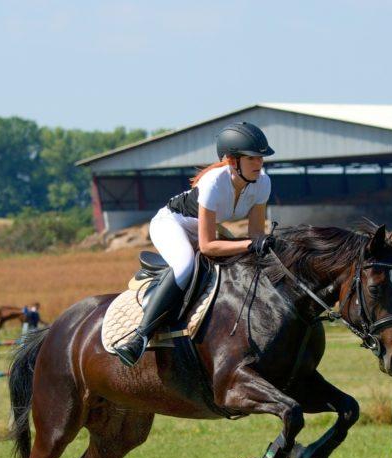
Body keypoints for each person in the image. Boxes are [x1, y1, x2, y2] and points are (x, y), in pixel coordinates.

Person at [113, 122, 276, 367]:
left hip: (204, 228)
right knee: (185, 265)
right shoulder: (214, 182)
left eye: (261, 158)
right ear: (233, 161)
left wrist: (263, 245)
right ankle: (139, 336)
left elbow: (255, 235)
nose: (259, 163)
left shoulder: (262, 183)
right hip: (171, 224)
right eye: (252, 158)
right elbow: (208, 246)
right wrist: (250, 245)